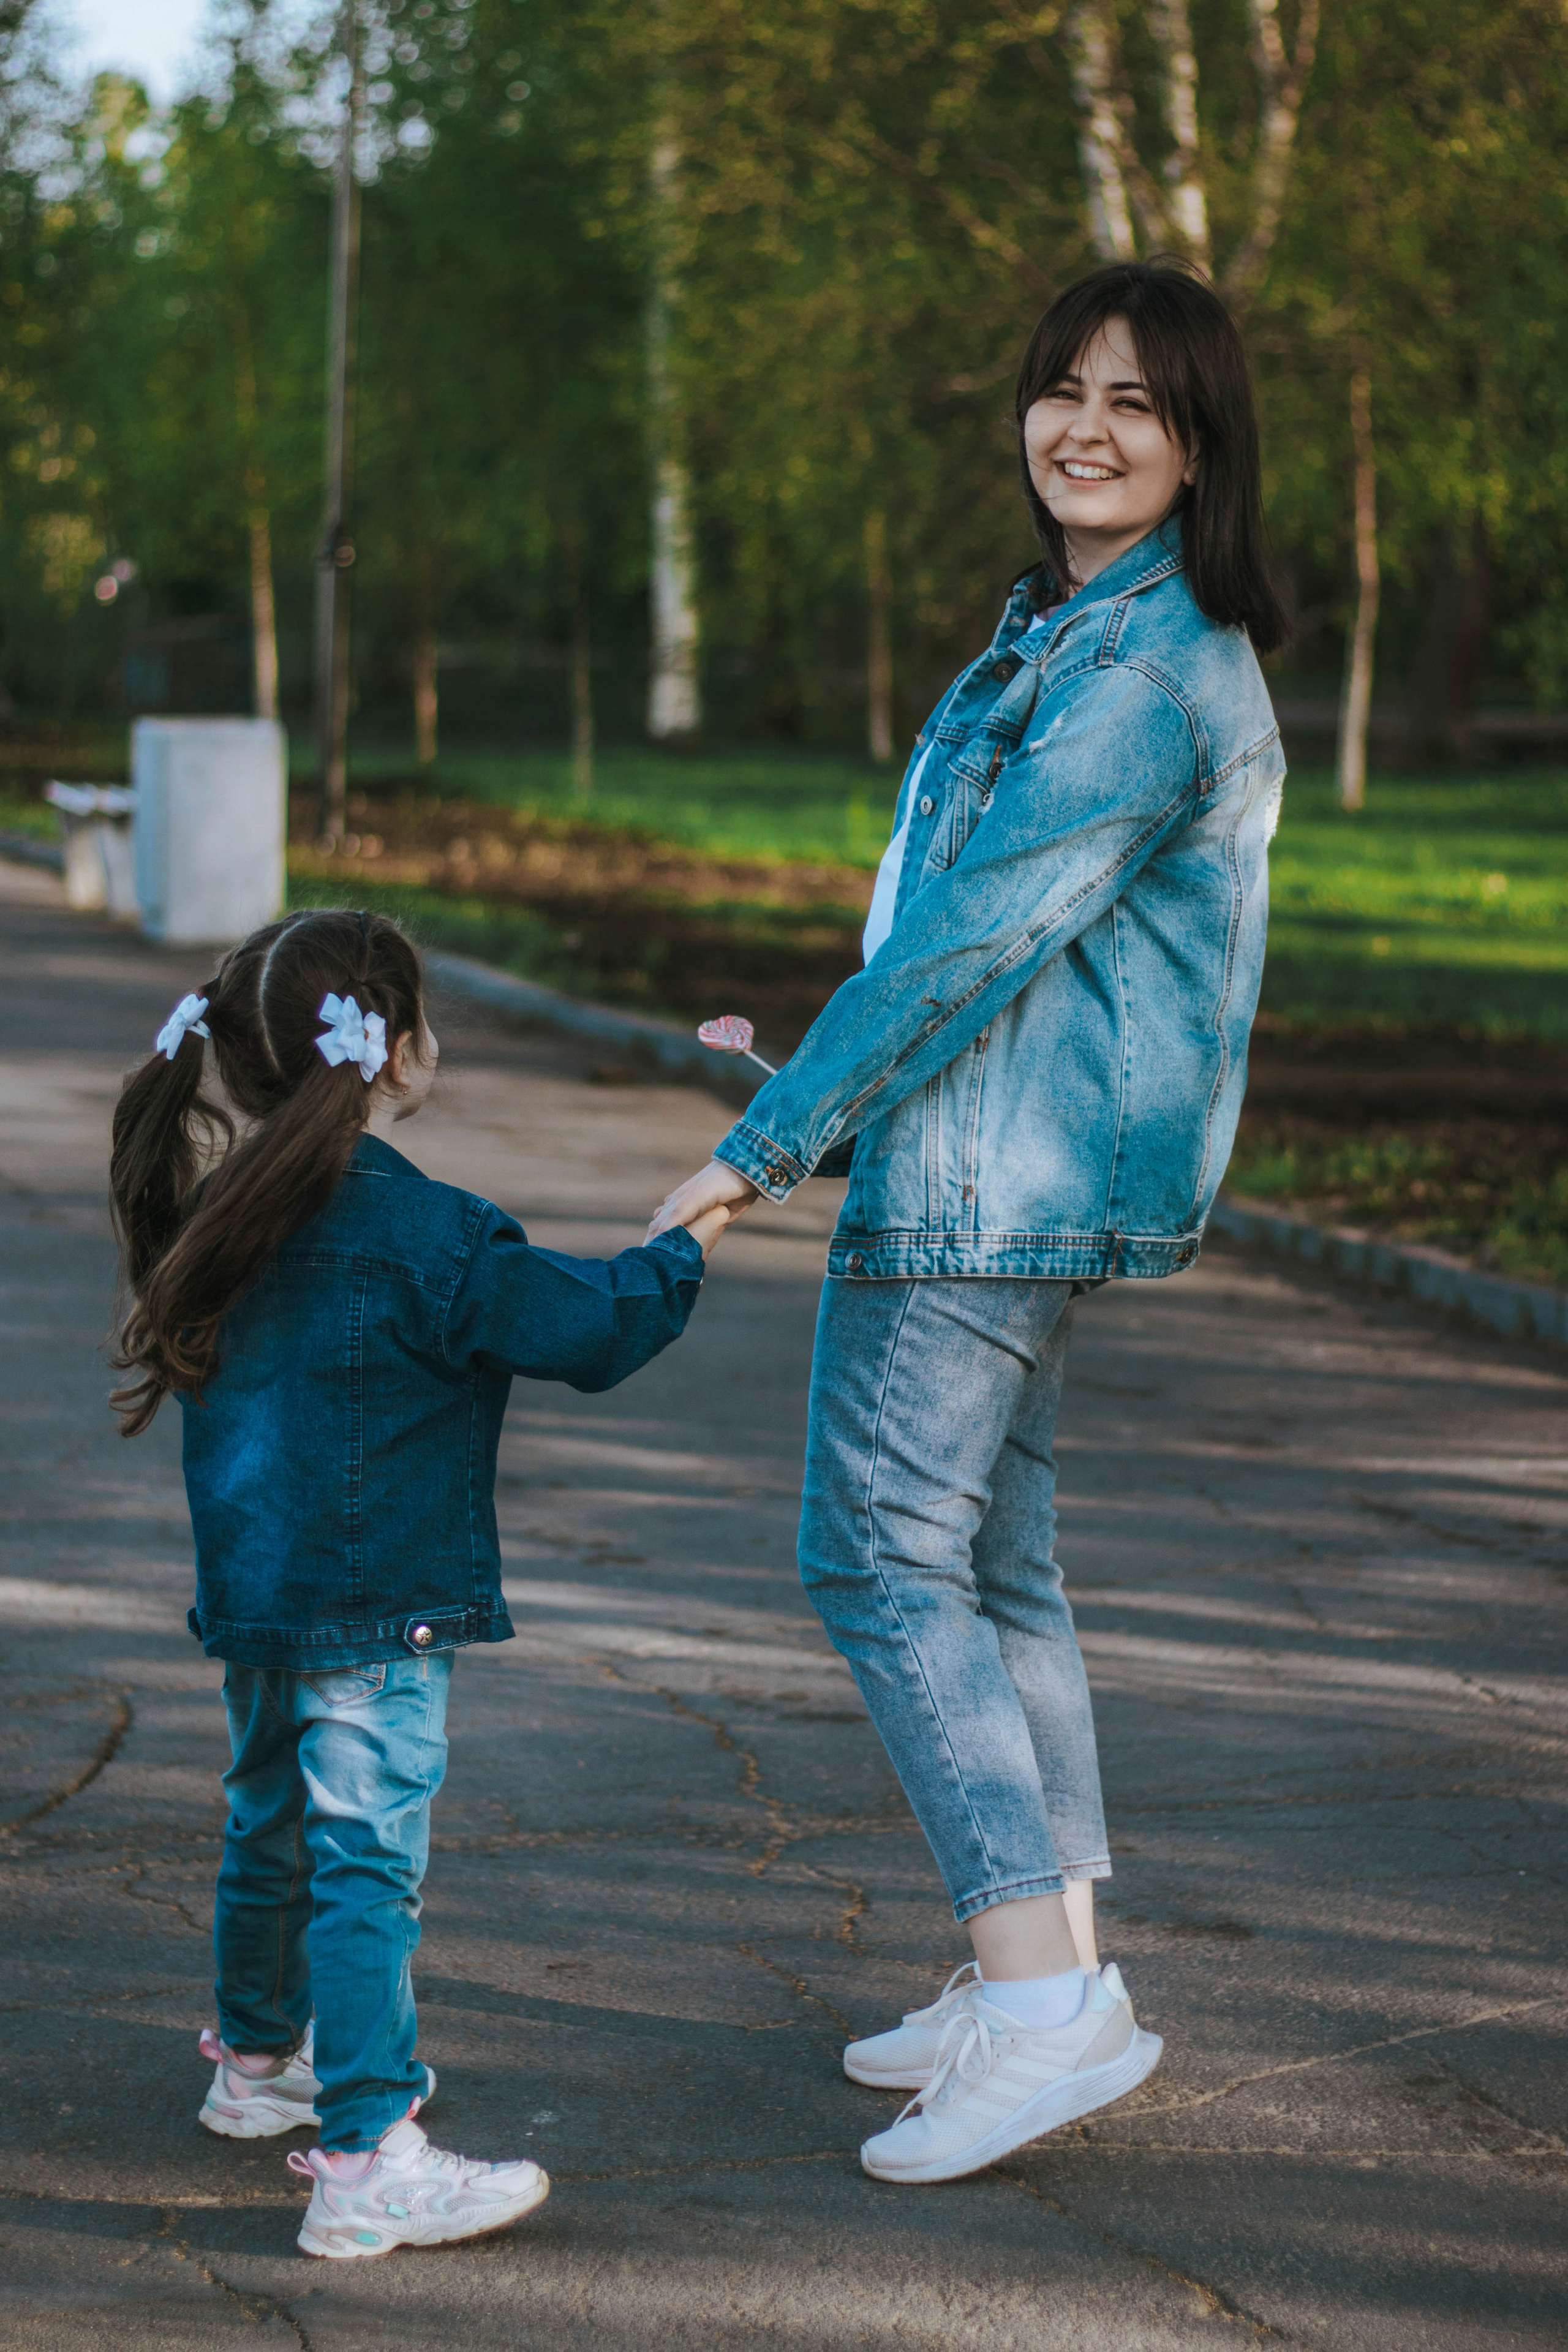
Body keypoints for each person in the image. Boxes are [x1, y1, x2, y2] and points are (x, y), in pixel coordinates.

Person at [649, 259, 1288, 2185]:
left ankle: (1039, 2002)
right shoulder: (1068, 624)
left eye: (1139, 405)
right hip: (994, 1152)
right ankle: (1047, 1955)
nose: (1086, 429)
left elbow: (979, 935)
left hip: (981, 1177)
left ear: (1198, 448)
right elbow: (940, 915)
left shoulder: (1150, 672)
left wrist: (761, 1145)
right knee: (999, 1575)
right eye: (1061, 391)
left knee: (875, 1558)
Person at [110, 908, 732, 2257]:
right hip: (375, 1610)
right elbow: (592, 1326)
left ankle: (259, 2061)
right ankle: (366, 2156)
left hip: (259, 1598)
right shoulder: (432, 1235)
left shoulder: (219, 1212)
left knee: (267, 1821)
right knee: (362, 1864)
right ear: (395, 1055)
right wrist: (694, 1233)